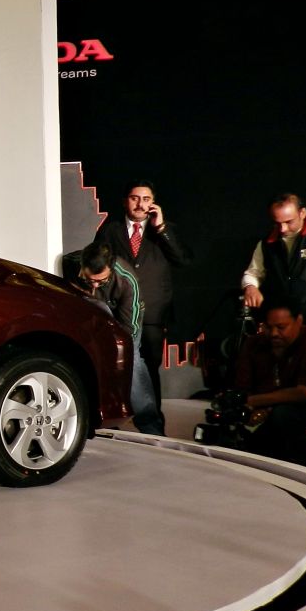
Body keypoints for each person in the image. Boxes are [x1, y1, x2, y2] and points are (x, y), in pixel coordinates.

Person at [94, 179, 191, 430]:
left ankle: (152, 426)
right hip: (118, 311)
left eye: (146, 199)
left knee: (147, 370)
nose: (140, 204)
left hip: (152, 314)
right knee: (115, 366)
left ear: (154, 203)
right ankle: (112, 420)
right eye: (135, 198)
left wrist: (161, 228)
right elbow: (97, 263)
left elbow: (182, 260)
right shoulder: (111, 230)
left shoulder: (164, 230)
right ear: (125, 201)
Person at [78, 241, 165, 435]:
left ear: (110, 268)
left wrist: (114, 349)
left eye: (101, 282)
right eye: (89, 280)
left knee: (132, 363)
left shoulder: (127, 281)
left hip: (123, 323)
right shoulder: (71, 265)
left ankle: (151, 426)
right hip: (92, 319)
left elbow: (129, 330)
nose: (94, 286)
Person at [234, 299, 306, 464]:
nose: (274, 333)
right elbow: (242, 386)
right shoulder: (254, 343)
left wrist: (253, 401)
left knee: (283, 415)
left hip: (304, 412)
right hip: (261, 411)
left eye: (281, 327)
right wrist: (247, 405)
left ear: (298, 321)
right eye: (268, 327)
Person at [241, 193, 306, 327]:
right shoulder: (267, 243)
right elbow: (253, 272)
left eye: (289, 222)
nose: (283, 229)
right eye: (278, 223)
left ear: (302, 213)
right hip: (283, 321)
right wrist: (250, 287)